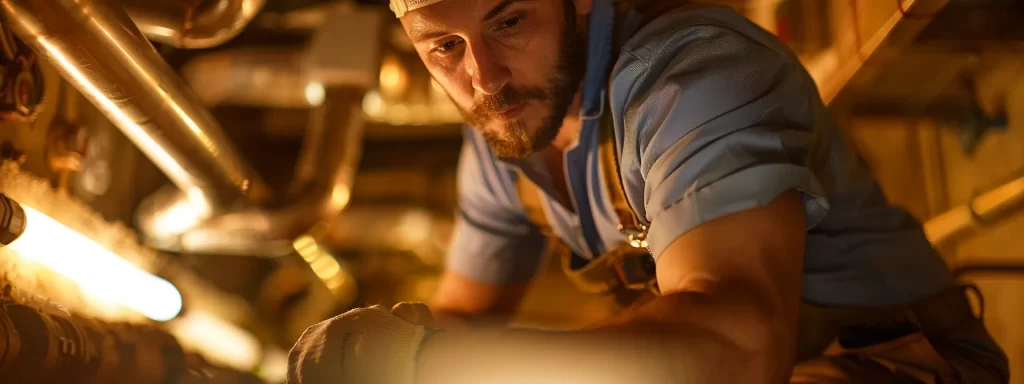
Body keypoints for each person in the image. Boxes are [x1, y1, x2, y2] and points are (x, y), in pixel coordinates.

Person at [287, 0, 1010, 382]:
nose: (485, 76)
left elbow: (739, 346)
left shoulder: (693, 78)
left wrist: (426, 365)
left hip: (903, 364)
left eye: (508, 21)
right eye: (444, 47)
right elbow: (463, 319)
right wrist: (393, 342)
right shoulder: (501, 152)